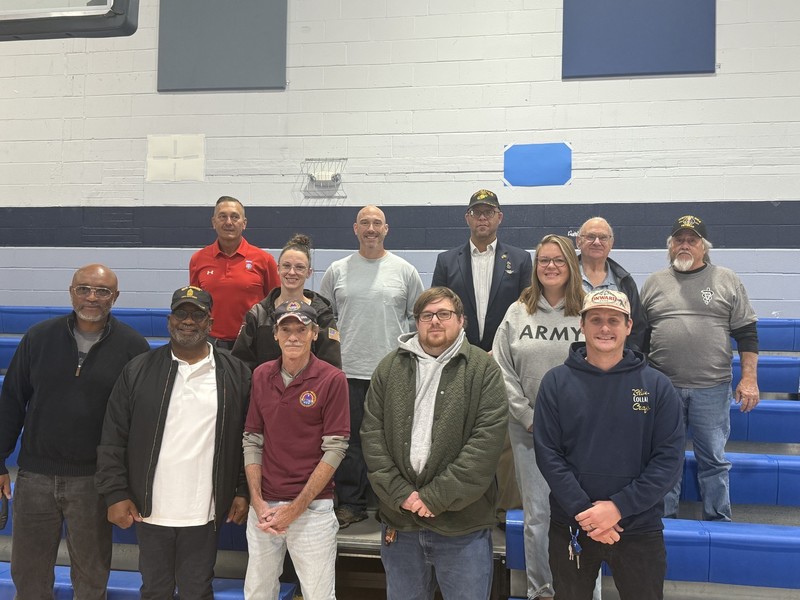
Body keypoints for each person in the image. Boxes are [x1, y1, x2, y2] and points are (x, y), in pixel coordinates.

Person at [0, 264, 149, 599]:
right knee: (29, 573)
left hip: (94, 481)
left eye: (101, 291)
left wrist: (124, 483)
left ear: (116, 296)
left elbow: (138, 420)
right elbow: (11, 401)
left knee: (92, 574)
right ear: (71, 291)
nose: (92, 298)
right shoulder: (39, 337)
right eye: (84, 289)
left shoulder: (132, 346)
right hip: (36, 476)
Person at [95, 286, 251, 599]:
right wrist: (115, 493)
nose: (188, 321)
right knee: (155, 590)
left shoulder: (236, 374)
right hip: (150, 509)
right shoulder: (138, 369)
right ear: (169, 320)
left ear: (210, 321)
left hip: (204, 509)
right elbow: (113, 438)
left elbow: (246, 440)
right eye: (181, 313)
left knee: (197, 590)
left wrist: (241, 490)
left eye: (197, 314)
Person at [533, 289, 684, 600]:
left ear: (629, 326)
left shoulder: (657, 386)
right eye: (596, 320)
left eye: (614, 321)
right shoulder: (555, 383)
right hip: (572, 525)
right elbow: (548, 454)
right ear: (582, 325)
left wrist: (618, 507)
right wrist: (585, 513)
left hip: (638, 527)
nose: (605, 328)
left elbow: (668, 461)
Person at [361, 287, 508, 600]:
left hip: (462, 529)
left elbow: (486, 444)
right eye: (427, 315)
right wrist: (401, 493)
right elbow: (372, 436)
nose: (435, 321)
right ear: (417, 322)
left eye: (444, 314)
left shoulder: (483, 370)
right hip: (401, 526)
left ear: (461, 321)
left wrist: (435, 497)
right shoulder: (389, 368)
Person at [641, 215, 759, 521]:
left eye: (692, 241)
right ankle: (662, 522)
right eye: (678, 240)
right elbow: (639, 335)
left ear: (703, 248)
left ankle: (718, 519)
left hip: (713, 387)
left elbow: (746, 332)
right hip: (663, 388)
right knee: (664, 457)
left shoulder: (727, 279)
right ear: (669, 247)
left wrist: (749, 379)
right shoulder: (654, 283)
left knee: (714, 460)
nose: (684, 245)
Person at [492, 234, 586, 600]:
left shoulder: (586, 309)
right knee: (536, 519)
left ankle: (581, 589)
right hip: (529, 430)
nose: (550, 266)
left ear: (571, 265)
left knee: (583, 514)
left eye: (558, 260)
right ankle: (540, 590)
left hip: (579, 434)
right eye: (544, 260)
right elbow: (500, 367)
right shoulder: (519, 311)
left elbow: (602, 366)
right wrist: (527, 415)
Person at [320, 205, 424, 528]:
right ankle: (350, 503)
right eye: (364, 222)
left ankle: (387, 501)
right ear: (355, 229)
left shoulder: (405, 271)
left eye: (376, 223)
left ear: (386, 229)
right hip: (346, 371)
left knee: (390, 441)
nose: (370, 228)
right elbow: (324, 318)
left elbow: (418, 318)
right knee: (349, 441)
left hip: (390, 372)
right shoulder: (337, 270)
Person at [243, 301, 349, 600]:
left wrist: (295, 509)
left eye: (301, 329)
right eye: (285, 329)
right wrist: (258, 501)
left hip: (313, 509)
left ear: (315, 333)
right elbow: (252, 438)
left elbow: (336, 448)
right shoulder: (261, 375)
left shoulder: (332, 379)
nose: (293, 336)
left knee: (318, 594)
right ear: (275, 335)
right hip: (264, 508)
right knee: (257, 593)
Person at [431, 189, 533, 352]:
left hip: (505, 353)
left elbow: (527, 310)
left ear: (499, 217)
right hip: (457, 352)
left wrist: (503, 348)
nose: (482, 217)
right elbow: (436, 308)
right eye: (476, 212)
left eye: (489, 212)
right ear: (467, 218)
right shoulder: (446, 261)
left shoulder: (520, 260)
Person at [233, 233, 341, 371]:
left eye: (299, 267)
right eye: (286, 266)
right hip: (265, 391)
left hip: (310, 392)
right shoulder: (259, 314)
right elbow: (241, 366)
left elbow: (331, 369)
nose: (291, 272)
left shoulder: (322, 315)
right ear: (278, 269)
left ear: (309, 272)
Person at [189, 195, 280, 349]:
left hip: (252, 345)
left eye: (234, 217)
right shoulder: (198, 259)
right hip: (211, 345)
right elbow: (196, 305)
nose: (229, 222)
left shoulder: (264, 259)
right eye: (222, 216)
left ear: (244, 223)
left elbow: (276, 303)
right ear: (214, 222)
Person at [575, 217, 646, 351]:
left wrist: (625, 360)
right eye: (591, 237)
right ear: (578, 241)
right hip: (570, 362)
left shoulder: (624, 281)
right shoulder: (564, 276)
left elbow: (637, 328)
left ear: (611, 243)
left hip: (614, 366)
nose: (597, 242)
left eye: (603, 238)